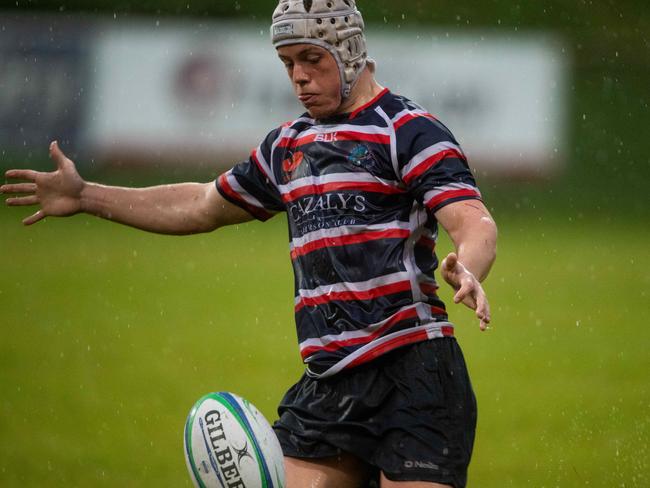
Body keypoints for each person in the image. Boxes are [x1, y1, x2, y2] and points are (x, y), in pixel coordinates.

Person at [1, 1, 497, 486]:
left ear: (348, 52)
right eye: (287, 64)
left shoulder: (406, 131)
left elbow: (474, 224)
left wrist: (469, 267)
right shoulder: (287, 147)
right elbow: (200, 205)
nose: (298, 77)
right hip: (328, 380)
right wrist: (87, 195)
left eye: (311, 59)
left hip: (415, 369)